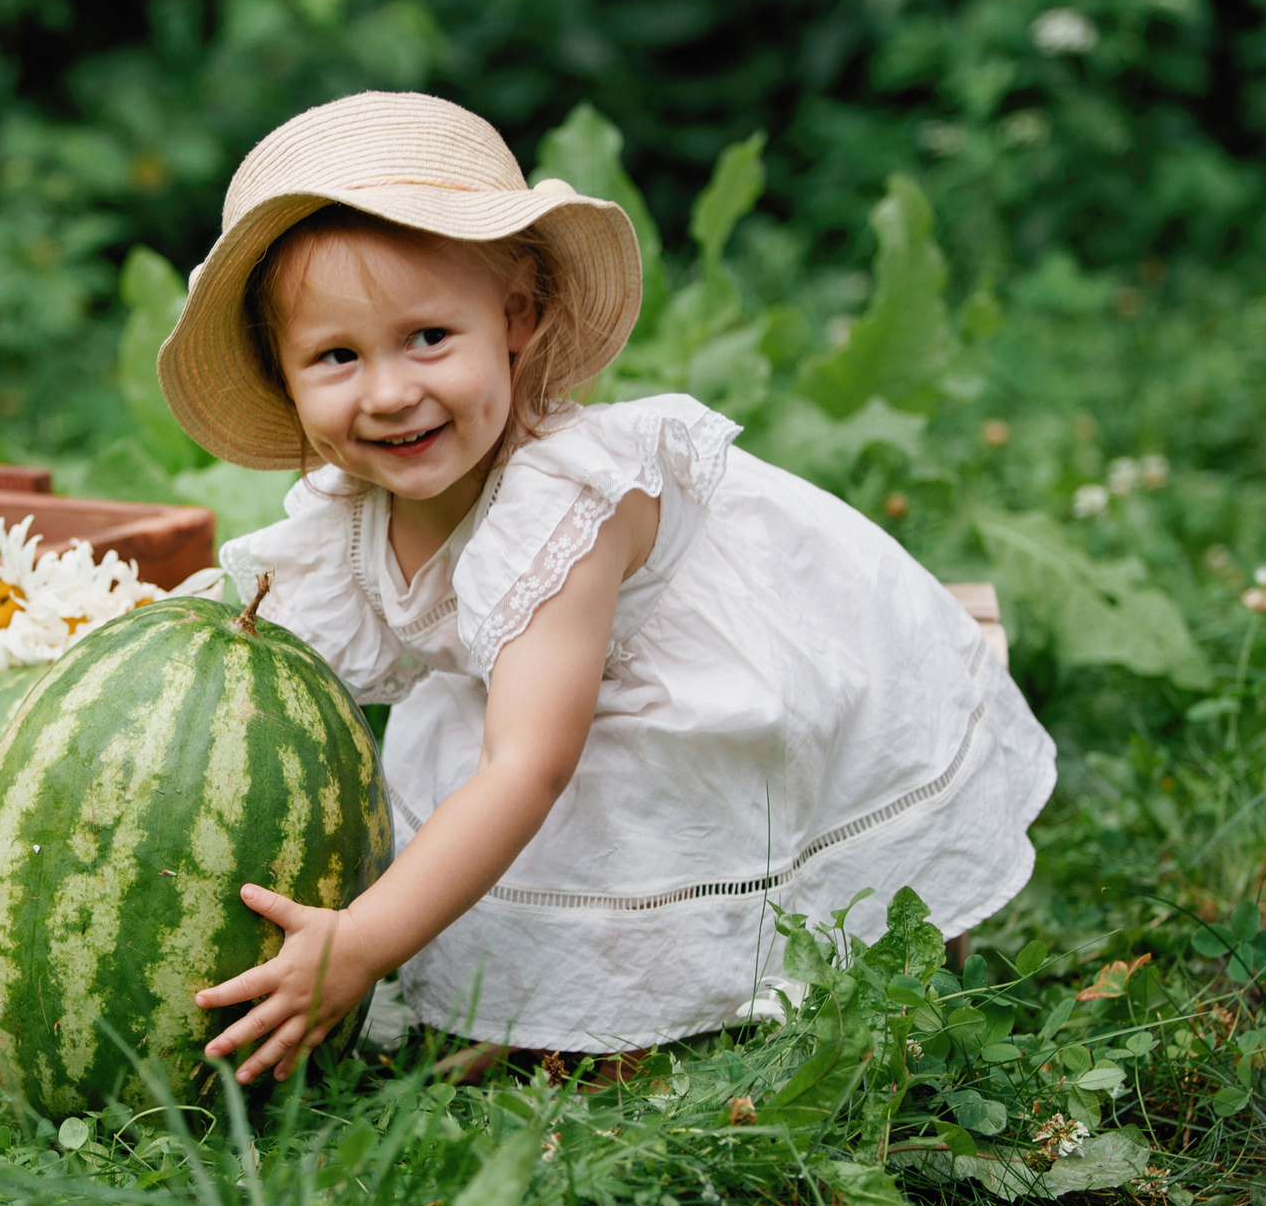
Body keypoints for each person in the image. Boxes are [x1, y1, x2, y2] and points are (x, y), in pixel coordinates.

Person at [152, 91, 1056, 1084]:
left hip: (776, 663)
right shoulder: (345, 511)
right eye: (335, 356)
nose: (389, 390)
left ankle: (716, 986)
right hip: (544, 694)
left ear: (515, 320)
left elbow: (527, 767)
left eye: (427, 338)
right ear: (286, 381)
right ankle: (544, 995)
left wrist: (363, 941)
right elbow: (248, 658)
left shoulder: (565, 502)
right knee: (469, 762)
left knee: (654, 807)